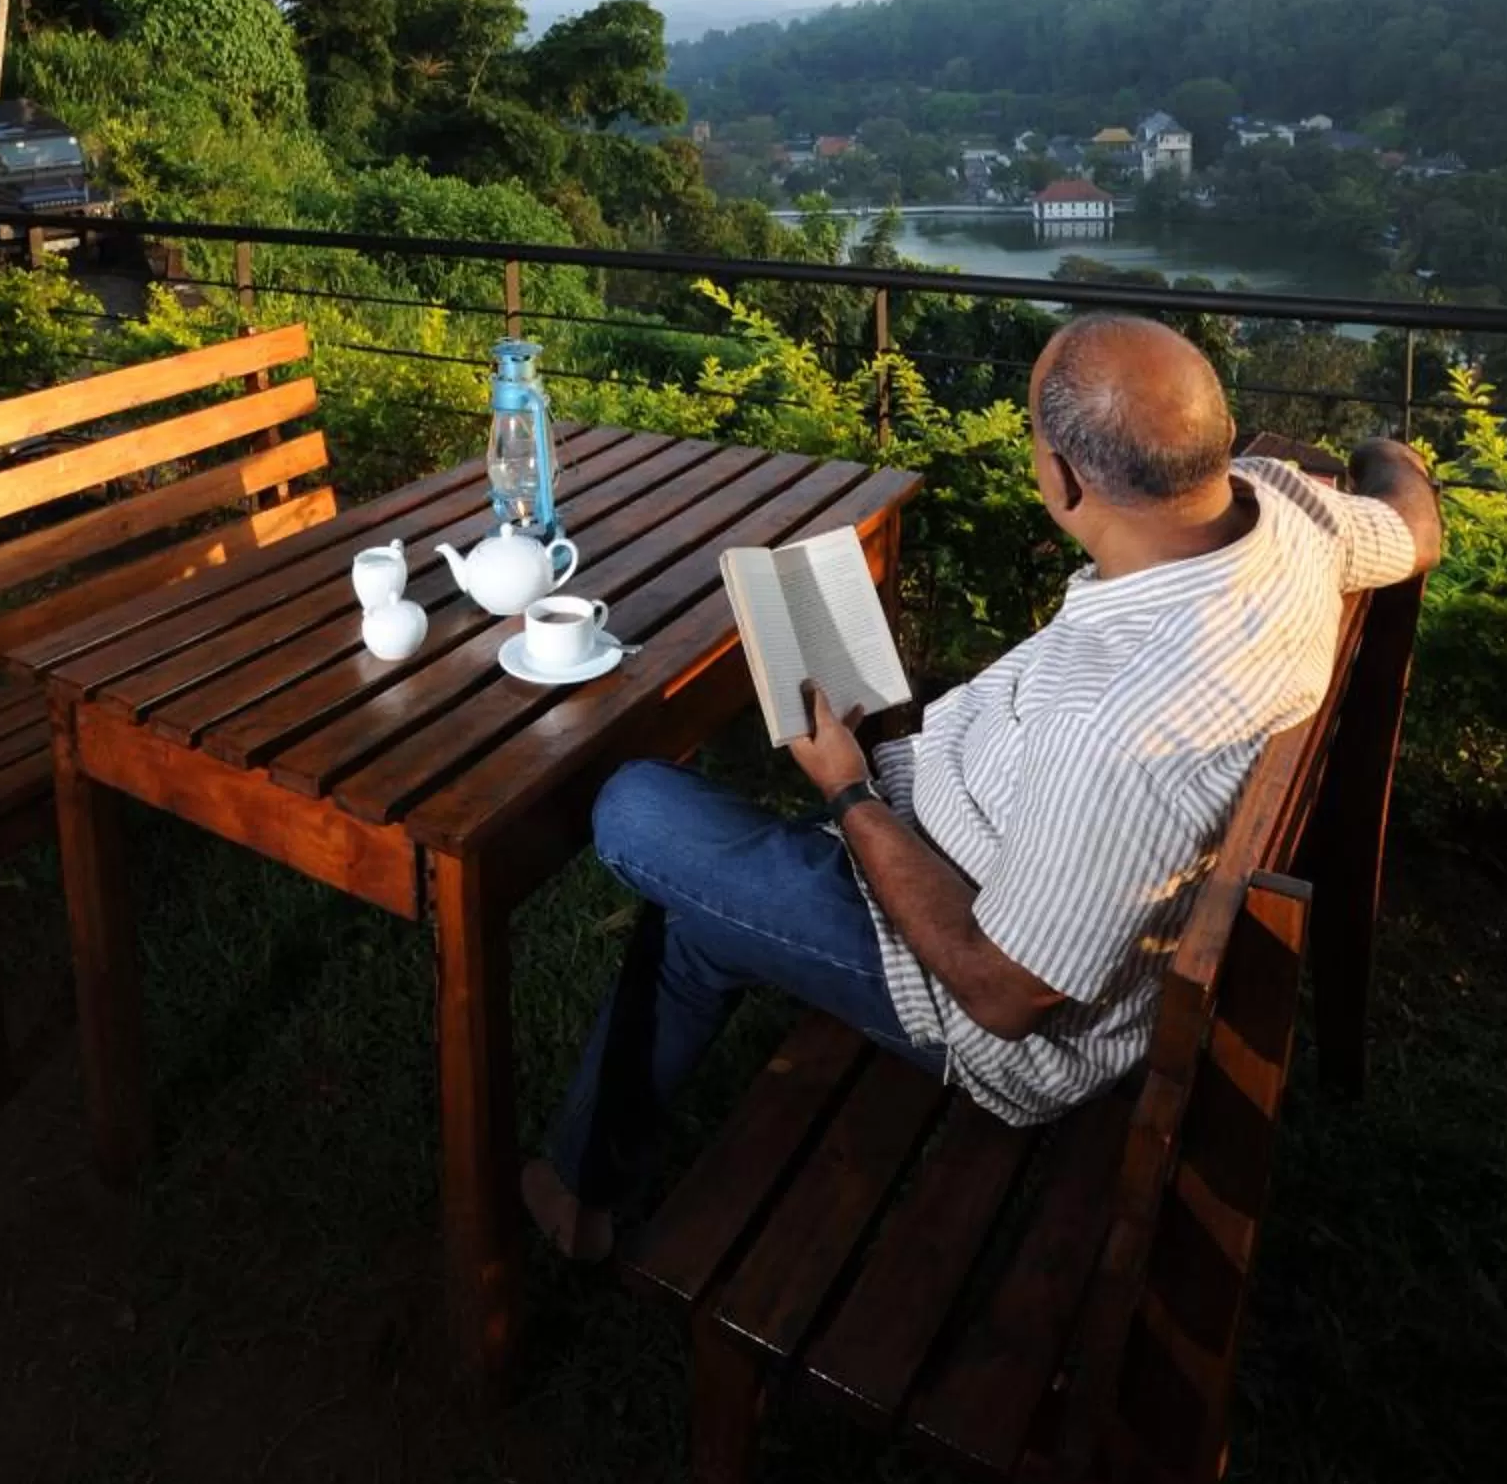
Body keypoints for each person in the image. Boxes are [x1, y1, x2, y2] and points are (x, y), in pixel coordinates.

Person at [523, 312, 1440, 1264]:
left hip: (975, 1009)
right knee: (702, 909)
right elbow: (1414, 525)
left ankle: (580, 1184)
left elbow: (1002, 993)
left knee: (634, 810)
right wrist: (1386, 449)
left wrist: (850, 795)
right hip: (959, 825)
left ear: (1065, 479)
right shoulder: (1281, 515)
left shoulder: (1122, 731)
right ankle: (582, 1183)